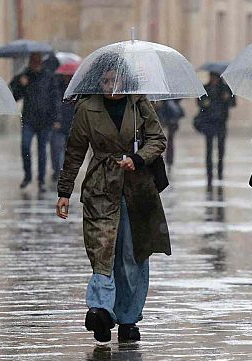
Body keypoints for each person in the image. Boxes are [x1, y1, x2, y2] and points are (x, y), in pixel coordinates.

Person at [56, 53, 170, 343]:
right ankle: (101, 310)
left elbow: (158, 139)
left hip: (137, 188)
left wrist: (138, 158)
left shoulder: (139, 103)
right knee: (102, 249)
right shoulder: (87, 108)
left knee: (133, 254)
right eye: (105, 80)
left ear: (125, 80)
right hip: (101, 187)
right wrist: (64, 191)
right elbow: (74, 151)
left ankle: (129, 318)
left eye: (115, 79)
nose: (110, 86)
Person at [9, 53, 60, 192]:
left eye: (38, 62)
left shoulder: (49, 77)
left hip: (45, 121)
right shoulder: (24, 75)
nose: (36, 65)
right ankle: (27, 175)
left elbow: (55, 98)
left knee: (42, 150)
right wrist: (21, 84)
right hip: (29, 120)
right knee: (25, 146)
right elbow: (14, 96)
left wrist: (56, 119)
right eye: (33, 62)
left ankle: (41, 180)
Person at [195, 72, 235, 184]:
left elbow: (233, 103)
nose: (213, 80)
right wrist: (204, 103)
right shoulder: (205, 88)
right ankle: (209, 172)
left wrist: (227, 98)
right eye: (211, 77)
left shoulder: (225, 89)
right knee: (209, 149)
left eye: (215, 77)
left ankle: (220, 171)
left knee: (221, 149)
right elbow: (199, 102)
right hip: (209, 122)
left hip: (221, 122)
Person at [51, 71, 74, 184]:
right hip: (59, 122)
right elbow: (54, 102)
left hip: (72, 123)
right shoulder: (56, 84)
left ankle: (64, 172)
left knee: (68, 150)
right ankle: (58, 171)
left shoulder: (77, 87)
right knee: (57, 149)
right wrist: (55, 119)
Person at [154, 99, 184, 170]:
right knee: (158, 139)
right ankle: (162, 160)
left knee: (169, 140)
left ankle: (169, 161)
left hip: (170, 115)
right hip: (163, 113)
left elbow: (179, 98)